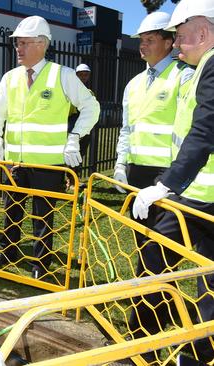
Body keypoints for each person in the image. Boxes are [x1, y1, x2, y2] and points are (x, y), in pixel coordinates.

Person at [0, 16, 100, 279]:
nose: (18, 49)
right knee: (11, 210)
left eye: (23, 43)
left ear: (42, 44)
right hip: (14, 162)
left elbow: (92, 107)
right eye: (17, 44)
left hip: (48, 163)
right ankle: (8, 250)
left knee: (43, 217)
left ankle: (40, 263)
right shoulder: (10, 78)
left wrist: (75, 137)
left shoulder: (62, 75)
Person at [130, 1, 214, 363]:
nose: (177, 44)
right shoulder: (199, 69)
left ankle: (141, 345)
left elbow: (204, 131)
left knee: (152, 261)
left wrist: (165, 185)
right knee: (208, 284)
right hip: (198, 192)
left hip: (196, 194)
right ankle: (193, 354)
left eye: (179, 37)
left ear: (204, 32)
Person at [112, 12, 194, 253]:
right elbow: (127, 129)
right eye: (141, 40)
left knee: (162, 245)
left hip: (165, 175)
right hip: (136, 172)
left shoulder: (184, 76)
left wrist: (172, 178)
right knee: (141, 237)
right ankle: (146, 288)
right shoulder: (133, 84)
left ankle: (157, 289)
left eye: (150, 40)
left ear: (168, 43)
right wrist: (120, 164)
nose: (142, 46)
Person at [66, 63, 95, 190]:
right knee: (67, 154)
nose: (83, 77)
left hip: (85, 127)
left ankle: (73, 180)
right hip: (71, 126)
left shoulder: (90, 92)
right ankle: (69, 181)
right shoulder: (68, 91)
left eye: (86, 74)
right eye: (80, 74)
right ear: (76, 75)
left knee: (79, 154)